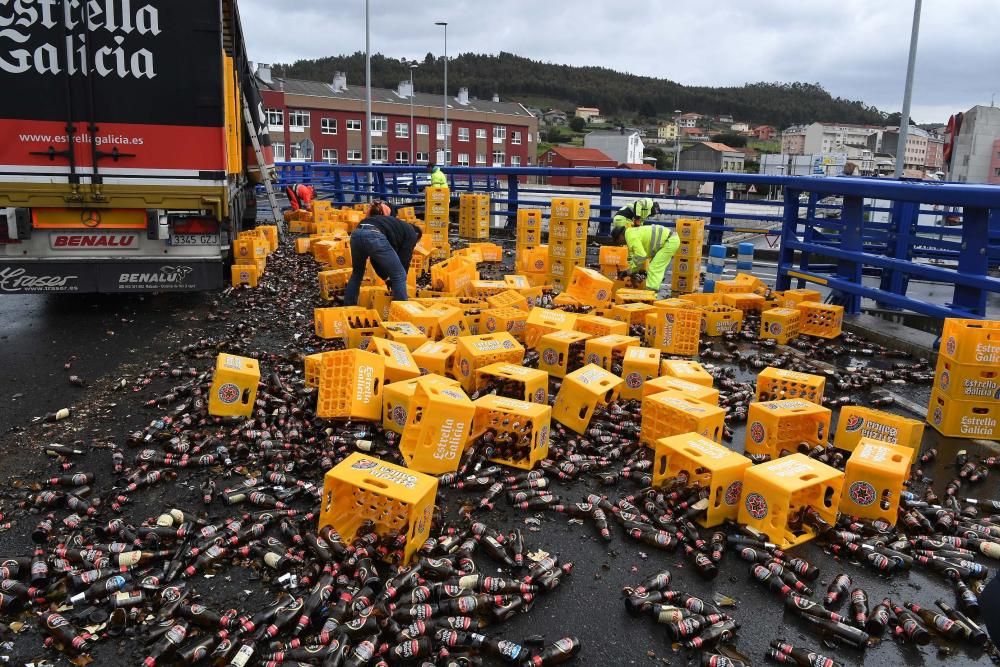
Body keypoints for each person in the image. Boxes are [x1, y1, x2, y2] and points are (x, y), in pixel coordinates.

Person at [344, 201, 422, 306]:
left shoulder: (394, 229)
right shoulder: (412, 233)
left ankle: (348, 306)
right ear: (417, 235)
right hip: (374, 233)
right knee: (399, 274)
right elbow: (404, 260)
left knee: (357, 273)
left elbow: (375, 260)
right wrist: (396, 280)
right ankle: (402, 308)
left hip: (357, 233)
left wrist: (387, 278)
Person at [611, 219, 679, 296]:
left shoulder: (631, 237)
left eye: (617, 241)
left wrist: (629, 271)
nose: (618, 243)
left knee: (654, 268)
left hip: (669, 241)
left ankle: (650, 295)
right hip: (668, 240)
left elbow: (641, 256)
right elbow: (633, 257)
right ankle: (651, 292)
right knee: (654, 267)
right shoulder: (630, 234)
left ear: (620, 236)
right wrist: (630, 272)